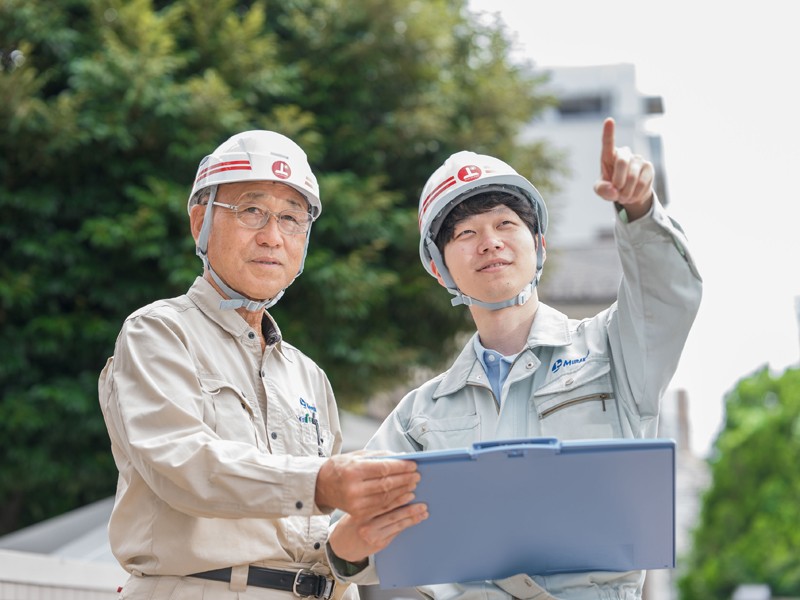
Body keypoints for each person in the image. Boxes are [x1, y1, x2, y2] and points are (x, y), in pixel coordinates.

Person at [326, 118, 703, 599]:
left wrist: (640, 209)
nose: (489, 241)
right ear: (442, 272)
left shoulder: (614, 351)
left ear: (539, 246)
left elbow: (667, 295)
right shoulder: (421, 415)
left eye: (505, 223)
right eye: (464, 233)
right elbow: (350, 542)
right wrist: (350, 543)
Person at [98, 130, 427, 600]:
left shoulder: (308, 376)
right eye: (252, 211)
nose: (273, 236)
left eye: (292, 219)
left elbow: (326, 537)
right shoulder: (159, 331)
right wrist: (322, 482)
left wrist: (359, 539)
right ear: (201, 224)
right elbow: (183, 464)